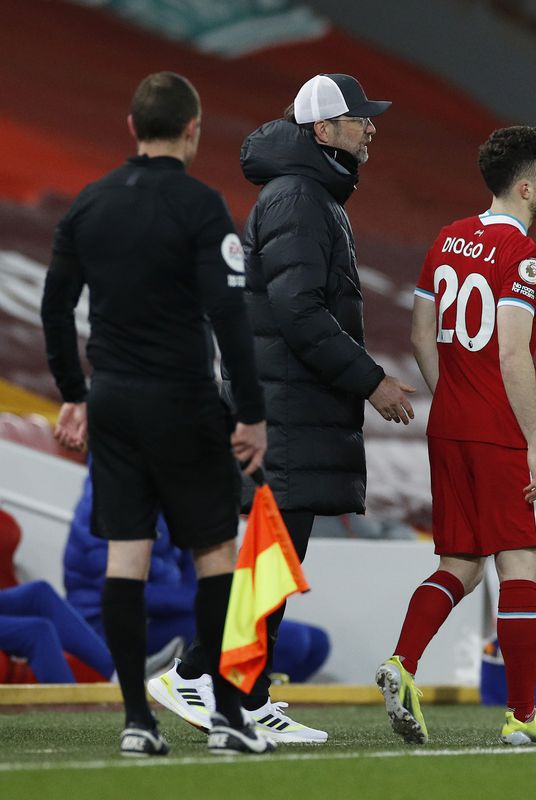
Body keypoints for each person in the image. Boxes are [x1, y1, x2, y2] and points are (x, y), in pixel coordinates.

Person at [151, 73, 414, 744]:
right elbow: (298, 312)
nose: (370, 127)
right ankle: (211, 682)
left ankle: (237, 688)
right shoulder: (299, 198)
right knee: (274, 556)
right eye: (358, 118)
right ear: (322, 130)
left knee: (274, 556)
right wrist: (371, 380)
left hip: (288, 404)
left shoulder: (306, 194)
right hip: (286, 407)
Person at [39, 71, 273, 756]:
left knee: (126, 557)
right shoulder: (201, 207)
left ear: (132, 127)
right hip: (182, 398)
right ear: (193, 129)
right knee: (215, 552)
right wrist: (251, 413)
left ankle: (138, 721)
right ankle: (228, 716)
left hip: (111, 400)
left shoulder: (89, 204)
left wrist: (73, 394)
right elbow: (229, 314)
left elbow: (55, 310)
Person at [376, 126, 536, 747]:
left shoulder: (448, 238)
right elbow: (514, 354)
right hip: (498, 430)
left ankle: (402, 662)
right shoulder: (526, 257)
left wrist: (453, 398)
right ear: (524, 187)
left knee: (458, 563)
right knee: (519, 566)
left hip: (451, 425)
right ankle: (521, 716)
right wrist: (535, 443)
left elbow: (418, 334)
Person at [61, 471, 331, 684]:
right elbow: (118, 588)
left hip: (164, 615)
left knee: (315, 641)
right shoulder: (106, 494)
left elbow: (194, 569)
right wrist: (211, 600)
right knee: (294, 641)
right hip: (107, 623)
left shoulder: (168, 494)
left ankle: (244, 690)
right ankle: (227, 689)